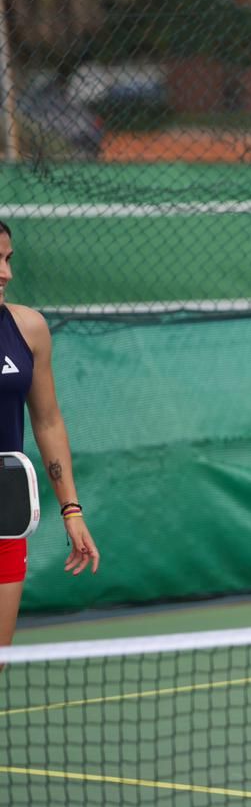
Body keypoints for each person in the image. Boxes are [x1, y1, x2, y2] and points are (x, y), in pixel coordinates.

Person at [0, 221, 100, 655]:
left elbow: (48, 422)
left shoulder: (28, 329)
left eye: (7, 259)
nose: (5, 273)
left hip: (3, 515)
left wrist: (71, 509)